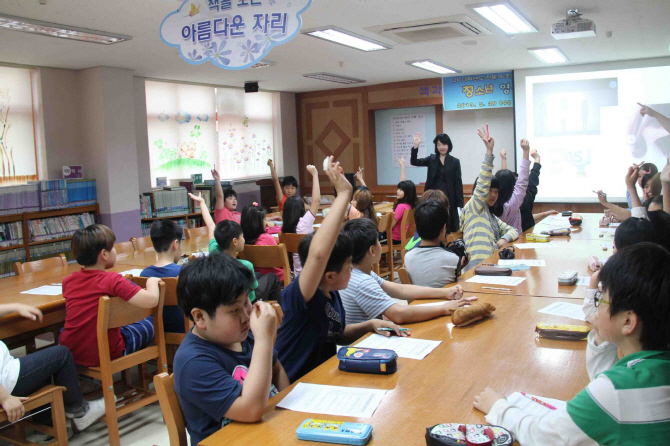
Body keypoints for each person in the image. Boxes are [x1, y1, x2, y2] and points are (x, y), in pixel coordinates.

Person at [474, 243, 670, 446]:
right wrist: (601, 337)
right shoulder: (652, 368)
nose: (597, 306)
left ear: (628, 321)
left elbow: (540, 437)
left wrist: (499, 408)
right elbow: (602, 383)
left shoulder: (615, 392)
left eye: (601, 299)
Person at [275, 157, 406, 382]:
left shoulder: (332, 292)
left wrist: (370, 324)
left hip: (322, 379)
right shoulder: (303, 296)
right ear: (329, 275)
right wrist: (344, 194)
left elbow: (335, 334)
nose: (352, 269)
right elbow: (318, 254)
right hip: (293, 386)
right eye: (348, 266)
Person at [173, 254, 290, 445]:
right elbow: (250, 410)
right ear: (200, 317)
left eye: (246, 302)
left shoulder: (242, 335)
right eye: (234, 310)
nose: (246, 315)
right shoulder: (193, 362)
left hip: (265, 431)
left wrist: (289, 412)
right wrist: (264, 340)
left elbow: (276, 369)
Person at [60, 224, 160, 367]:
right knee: (151, 321)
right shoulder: (112, 280)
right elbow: (151, 300)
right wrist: (152, 281)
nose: (115, 251)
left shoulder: (67, 281)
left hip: (73, 353)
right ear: (104, 254)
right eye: (113, 247)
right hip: (107, 353)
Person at [339, 218, 470, 325]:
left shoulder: (356, 272)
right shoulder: (363, 282)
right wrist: (444, 308)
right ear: (372, 251)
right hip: (363, 347)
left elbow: (400, 290)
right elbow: (398, 314)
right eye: (378, 241)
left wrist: (445, 292)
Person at [0, 303, 106, 432]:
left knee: (42, 367)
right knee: (61, 355)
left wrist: (15, 307)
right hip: (7, 381)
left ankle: (45, 429)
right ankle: (79, 412)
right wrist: (5, 398)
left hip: (7, 374)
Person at [189, 192, 281, 303]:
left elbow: (211, 225)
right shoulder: (246, 266)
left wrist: (202, 203)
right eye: (242, 236)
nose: (244, 239)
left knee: (259, 274)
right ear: (235, 241)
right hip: (247, 300)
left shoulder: (214, 250)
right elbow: (253, 286)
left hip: (229, 296)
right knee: (272, 278)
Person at [461, 126, 518, 265]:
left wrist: (504, 239)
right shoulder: (474, 207)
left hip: (490, 265)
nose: (493, 195)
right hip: (476, 268)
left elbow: (513, 230)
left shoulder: (490, 216)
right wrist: (489, 151)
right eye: (489, 190)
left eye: (496, 191)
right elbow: (483, 183)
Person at [410, 132, 463, 233]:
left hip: (449, 198)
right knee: (432, 223)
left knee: (449, 226)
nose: (441, 147)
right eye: (439, 145)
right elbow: (414, 161)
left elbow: (458, 184)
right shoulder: (432, 159)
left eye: (444, 144)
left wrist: (459, 204)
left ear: (449, 145)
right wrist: (416, 146)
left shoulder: (455, 162)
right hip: (433, 197)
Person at [140, 219, 186, 333]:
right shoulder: (184, 272)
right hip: (183, 330)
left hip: (156, 330)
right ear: (175, 244)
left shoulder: (144, 274)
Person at [405, 200, 463, 288]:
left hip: (418, 301)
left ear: (417, 227)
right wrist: (461, 266)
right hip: (446, 301)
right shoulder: (453, 259)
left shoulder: (408, 257)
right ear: (444, 228)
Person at [282, 164, 320, 275]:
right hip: (312, 274)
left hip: (298, 275)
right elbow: (316, 201)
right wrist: (315, 174)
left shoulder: (286, 227)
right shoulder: (303, 223)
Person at [491, 139, 531, 235]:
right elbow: (522, 180)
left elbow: (502, 179)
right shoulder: (513, 203)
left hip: (498, 242)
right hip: (514, 241)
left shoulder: (493, 204)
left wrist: (503, 159)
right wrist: (526, 152)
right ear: (512, 185)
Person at [240, 203, 284, 283]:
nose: (266, 221)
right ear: (258, 223)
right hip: (278, 278)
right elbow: (281, 263)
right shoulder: (267, 238)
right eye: (264, 219)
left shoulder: (242, 241)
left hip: (258, 279)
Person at [391, 156, 417, 245]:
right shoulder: (409, 205)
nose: (397, 191)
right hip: (401, 237)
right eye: (398, 189)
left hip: (394, 238)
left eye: (400, 190)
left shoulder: (401, 206)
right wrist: (402, 167)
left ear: (407, 192)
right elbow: (403, 183)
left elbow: (391, 226)